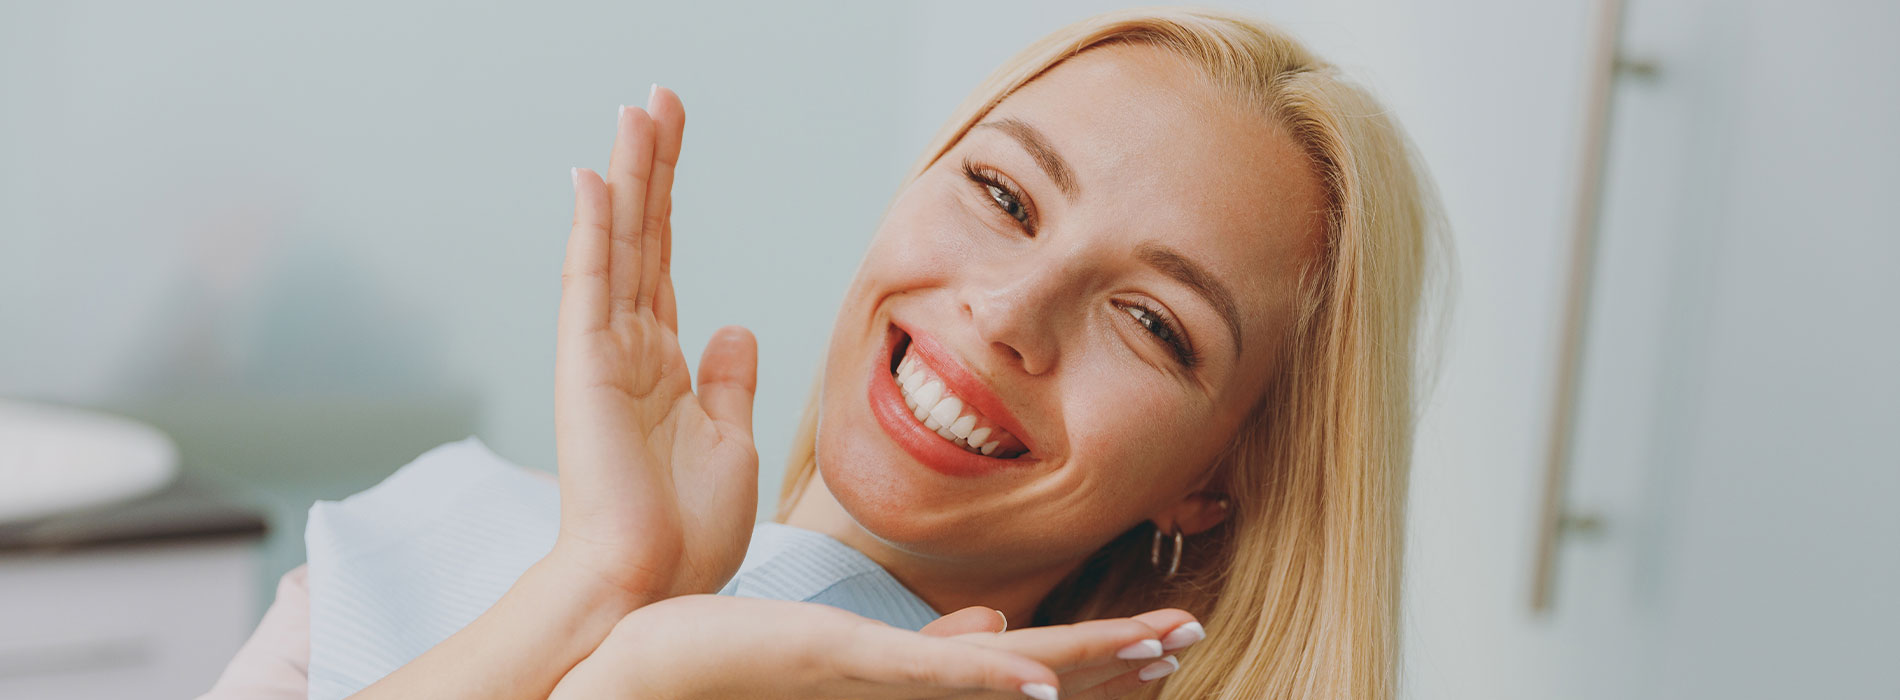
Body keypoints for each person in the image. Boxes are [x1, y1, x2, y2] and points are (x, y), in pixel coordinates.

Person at [202, 7, 1442, 699]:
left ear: (1214, 479)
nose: (1010, 310)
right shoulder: (450, 524)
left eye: (1153, 323)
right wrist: (594, 591)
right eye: (1004, 195)